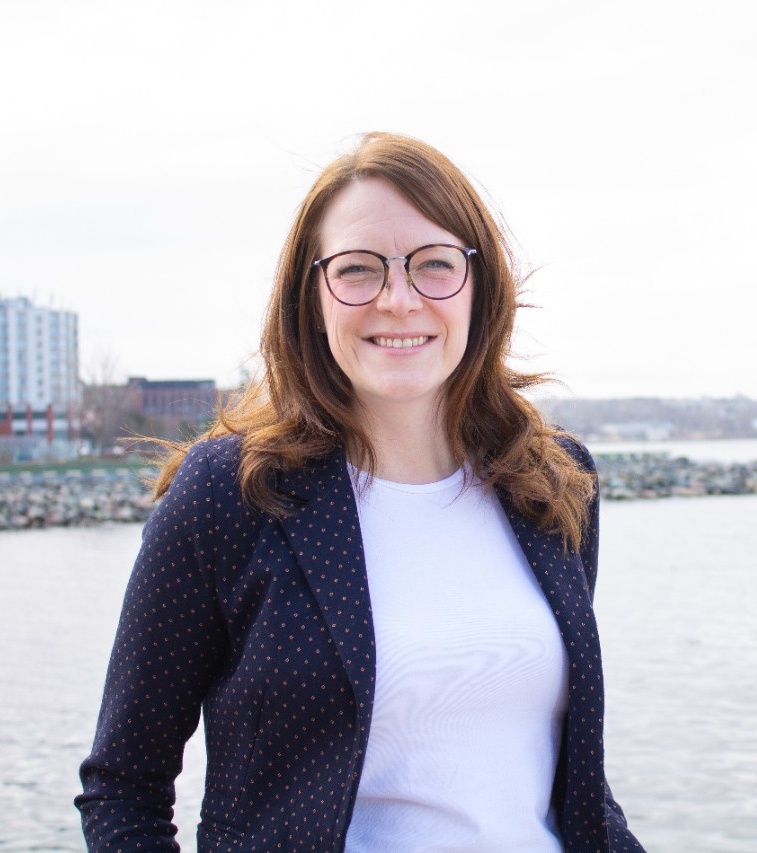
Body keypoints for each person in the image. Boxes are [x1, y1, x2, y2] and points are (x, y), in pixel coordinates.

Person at [76, 132, 646, 852]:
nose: (398, 300)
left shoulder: (552, 483)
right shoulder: (229, 494)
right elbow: (124, 785)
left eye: (435, 264)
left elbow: (566, 780)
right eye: (357, 269)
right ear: (312, 297)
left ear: (480, 284)